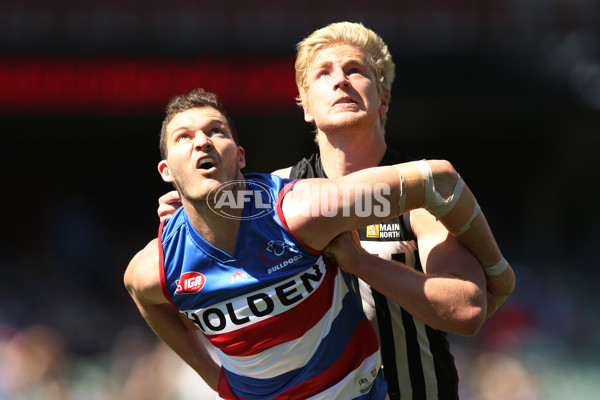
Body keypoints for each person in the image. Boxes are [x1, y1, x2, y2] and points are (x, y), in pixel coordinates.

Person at [158, 22, 515, 399]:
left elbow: (468, 311)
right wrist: (195, 207)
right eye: (323, 73)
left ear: (383, 99)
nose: (341, 81)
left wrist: (362, 262)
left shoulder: (418, 198)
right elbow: (187, 289)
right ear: (306, 106)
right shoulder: (279, 197)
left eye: (355, 71)